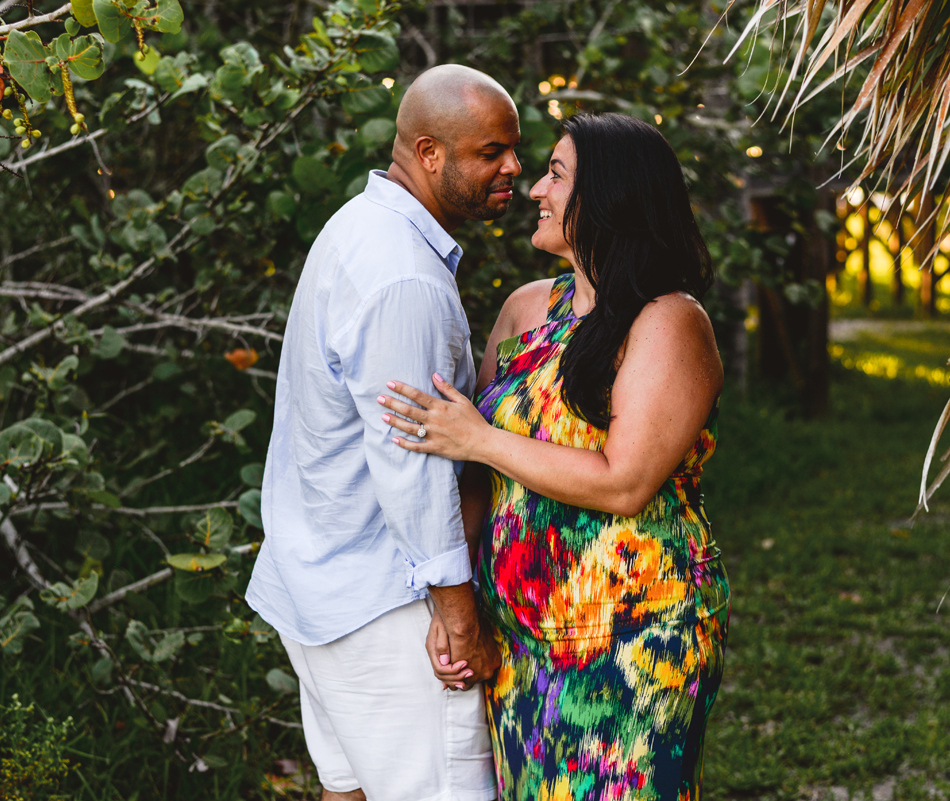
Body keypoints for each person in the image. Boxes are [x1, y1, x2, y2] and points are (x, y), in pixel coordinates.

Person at [378, 112, 730, 801]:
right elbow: (474, 472)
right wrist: (460, 606)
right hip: (520, 635)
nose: (535, 187)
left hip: (631, 635)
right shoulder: (526, 309)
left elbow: (624, 481)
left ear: (611, 196)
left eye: (557, 174)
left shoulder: (669, 322)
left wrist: (476, 435)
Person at [244, 64, 521, 801]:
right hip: (386, 609)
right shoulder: (403, 275)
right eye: (491, 152)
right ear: (429, 153)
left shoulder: (358, 230)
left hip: (323, 583)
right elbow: (413, 460)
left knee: (348, 790)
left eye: (514, 150)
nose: (514, 168)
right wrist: (458, 615)